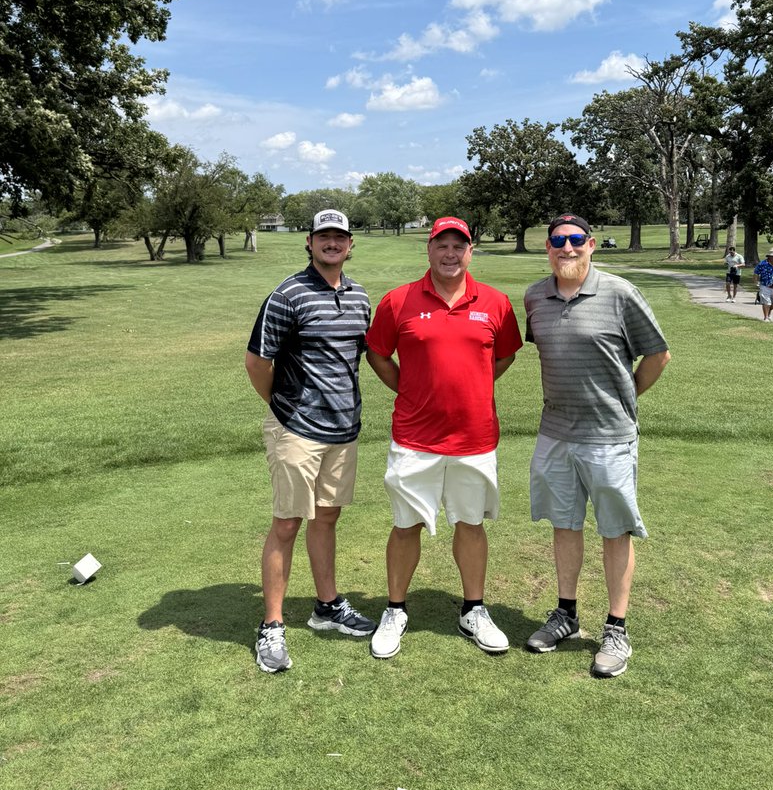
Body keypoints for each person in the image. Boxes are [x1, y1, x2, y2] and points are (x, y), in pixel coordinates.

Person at [365, 217, 523, 660]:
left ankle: (473, 609)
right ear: (429, 250)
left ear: (470, 251)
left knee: (470, 523)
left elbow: (506, 353)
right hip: (415, 436)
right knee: (405, 524)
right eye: (442, 245)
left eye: (459, 245)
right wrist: (408, 388)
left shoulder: (495, 302)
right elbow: (377, 353)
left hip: (475, 437)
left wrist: (475, 385)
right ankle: (395, 610)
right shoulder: (399, 301)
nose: (450, 254)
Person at [523, 215, 670, 679]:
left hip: (609, 437)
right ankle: (566, 614)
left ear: (591, 246)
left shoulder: (620, 292)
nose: (566, 248)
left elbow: (658, 354)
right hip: (555, 433)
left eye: (575, 241)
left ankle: (616, 628)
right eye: (557, 241)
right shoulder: (534, 297)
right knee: (565, 524)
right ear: (548, 248)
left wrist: (625, 399)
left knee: (614, 529)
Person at [245, 209, 376, 673]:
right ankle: (272, 626)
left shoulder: (359, 296)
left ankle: (327, 607)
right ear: (309, 241)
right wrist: (285, 408)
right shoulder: (288, 294)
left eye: (339, 236)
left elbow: (358, 358)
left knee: (326, 519)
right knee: (287, 524)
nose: (332, 243)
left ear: (350, 243)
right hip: (297, 429)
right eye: (324, 236)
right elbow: (257, 361)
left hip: (344, 430)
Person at [752, 248, 773, 322]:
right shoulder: (762, 264)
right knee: (766, 302)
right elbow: (756, 273)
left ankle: (769, 311)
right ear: (769, 257)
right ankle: (766, 317)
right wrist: (756, 282)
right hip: (765, 286)